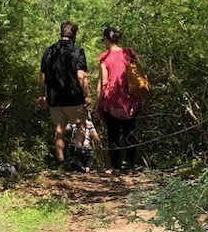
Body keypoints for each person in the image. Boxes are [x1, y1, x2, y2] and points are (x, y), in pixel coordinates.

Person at [38, 21, 92, 170]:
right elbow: (81, 76)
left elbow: (42, 77)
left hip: (54, 98)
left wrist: (41, 95)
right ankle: (76, 158)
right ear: (74, 35)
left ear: (61, 33)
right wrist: (87, 95)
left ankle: (61, 163)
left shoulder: (49, 52)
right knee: (82, 124)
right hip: (74, 97)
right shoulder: (77, 51)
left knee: (59, 130)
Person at [96, 26, 142, 175]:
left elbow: (103, 83)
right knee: (130, 132)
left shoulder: (104, 58)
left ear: (106, 39)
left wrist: (98, 104)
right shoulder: (130, 53)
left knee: (113, 135)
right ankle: (130, 167)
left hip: (111, 102)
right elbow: (139, 72)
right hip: (131, 100)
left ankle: (115, 168)